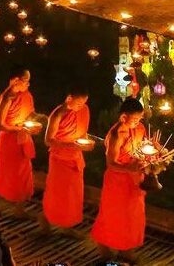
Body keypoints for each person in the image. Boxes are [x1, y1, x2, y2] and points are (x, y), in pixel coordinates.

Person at [91, 99, 147, 261]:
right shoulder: (116, 134)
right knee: (114, 216)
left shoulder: (140, 129)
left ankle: (126, 251)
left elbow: (141, 148)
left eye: (139, 119)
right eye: (134, 119)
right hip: (117, 181)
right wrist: (128, 168)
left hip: (134, 180)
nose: (137, 123)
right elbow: (111, 163)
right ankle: (104, 249)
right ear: (123, 117)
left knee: (132, 216)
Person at [0, 67, 40, 217]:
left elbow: (29, 113)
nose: (28, 84)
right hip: (9, 142)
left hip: (23, 138)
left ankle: (19, 209)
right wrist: (18, 129)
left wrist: (32, 124)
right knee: (7, 175)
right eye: (25, 81)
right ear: (16, 81)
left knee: (25, 175)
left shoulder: (26, 95)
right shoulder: (7, 98)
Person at [39, 86, 92, 231]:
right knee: (56, 194)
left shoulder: (84, 110)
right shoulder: (58, 114)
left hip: (75, 158)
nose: (81, 107)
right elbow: (48, 140)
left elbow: (82, 132)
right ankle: (46, 221)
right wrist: (70, 145)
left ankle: (68, 227)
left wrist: (85, 143)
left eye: (84, 103)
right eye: (79, 103)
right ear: (69, 99)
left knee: (73, 195)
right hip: (60, 159)